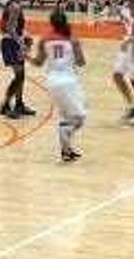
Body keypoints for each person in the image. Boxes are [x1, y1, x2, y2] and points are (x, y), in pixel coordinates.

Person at [28, 9, 87, 161]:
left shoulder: (44, 40)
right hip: (68, 80)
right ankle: (66, 135)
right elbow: (81, 62)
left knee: (65, 116)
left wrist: (25, 56)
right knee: (80, 117)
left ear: (52, 23)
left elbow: (38, 63)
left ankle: (66, 151)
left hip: (52, 81)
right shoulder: (72, 39)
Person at [0, 0, 35, 119]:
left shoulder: (11, 4)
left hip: (12, 42)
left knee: (21, 75)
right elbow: (10, 28)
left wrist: (25, 35)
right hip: (10, 43)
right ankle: (5, 105)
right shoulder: (15, 7)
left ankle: (19, 104)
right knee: (19, 76)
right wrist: (21, 42)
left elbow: (15, 27)